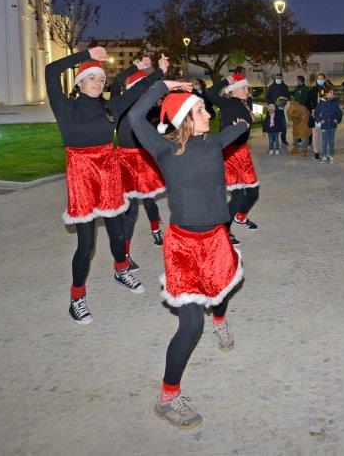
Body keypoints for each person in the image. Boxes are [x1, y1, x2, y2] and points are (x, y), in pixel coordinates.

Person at [127, 80, 247, 428]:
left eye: (205, 108)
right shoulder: (164, 150)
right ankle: (167, 397)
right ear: (184, 120)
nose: (208, 114)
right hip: (184, 246)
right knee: (192, 324)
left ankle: (221, 322)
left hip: (216, 238)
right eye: (200, 110)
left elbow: (237, 129)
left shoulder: (213, 142)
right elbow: (135, 116)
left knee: (223, 287)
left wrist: (241, 122)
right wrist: (163, 85)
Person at [46, 47, 151, 325]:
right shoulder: (65, 107)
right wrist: (86, 54)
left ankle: (121, 269)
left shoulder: (109, 108)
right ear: (79, 82)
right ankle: (77, 297)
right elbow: (51, 71)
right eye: (91, 78)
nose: (97, 83)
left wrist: (155, 72)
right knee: (86, 245)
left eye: (101, 79)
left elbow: (138, 90)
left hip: (108, 178)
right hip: (82, 181)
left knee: (118, 232)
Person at [112, 55, 170, 262]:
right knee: (131, 210)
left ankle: (155, 229)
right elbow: (117, 81)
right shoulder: (118, 107)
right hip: (125, 161)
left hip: (143, 160)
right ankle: (125, 254)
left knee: (150, 201)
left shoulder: (147, 109)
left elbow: (164, 123)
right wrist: (136, 67)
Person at [206, 73, 260, 243]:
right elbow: (209, 93)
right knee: (237, 195)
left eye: (247, 88)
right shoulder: (226, 102)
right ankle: (225, 230)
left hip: (243, 152)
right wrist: (225, 81)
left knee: (253, 191)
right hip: (229, 153)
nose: (247, 91)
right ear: (232, 90)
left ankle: (240, 218)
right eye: (243, 88)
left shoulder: (245, 102)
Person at [313, 85, 343, 163]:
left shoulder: (334, 102)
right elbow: (316, 113)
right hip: (324, 126)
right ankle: (324, 157)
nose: (332, 94)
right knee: (324, 141)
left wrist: (337, 119)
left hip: (332, 125)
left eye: (333, 92)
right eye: (331, 92)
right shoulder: (321, 102)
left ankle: (332, 156)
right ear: (326, 94)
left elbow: (339, 112)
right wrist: (319, 120)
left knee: (331, 142)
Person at [266, 74, 290, 145]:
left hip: (282, 110)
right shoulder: (271, 87)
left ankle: (283, 140)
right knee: (273, 125)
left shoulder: (285, 87)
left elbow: (288, 97)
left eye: (280, 78)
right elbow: (268, 97)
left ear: (282, 78)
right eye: (277, 78)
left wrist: (285, 105)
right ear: (275, 78)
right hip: (274, 110)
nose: (278, 79)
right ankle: (273, 140)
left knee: (283, 126)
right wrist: (271, 104)